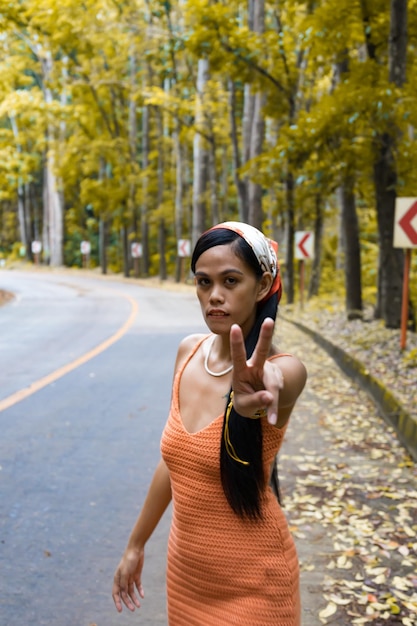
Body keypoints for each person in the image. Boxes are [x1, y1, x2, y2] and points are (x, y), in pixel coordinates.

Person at [112, 221, 307, 625]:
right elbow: (174, 463)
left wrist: (263, 388)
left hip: (256, 585)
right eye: (204, 282)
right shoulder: (187, 352)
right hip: (187, 576)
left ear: (261, 284)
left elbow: (280, 381)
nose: (214, 296)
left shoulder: (283, 370)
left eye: (230, 280)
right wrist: (135, 545)